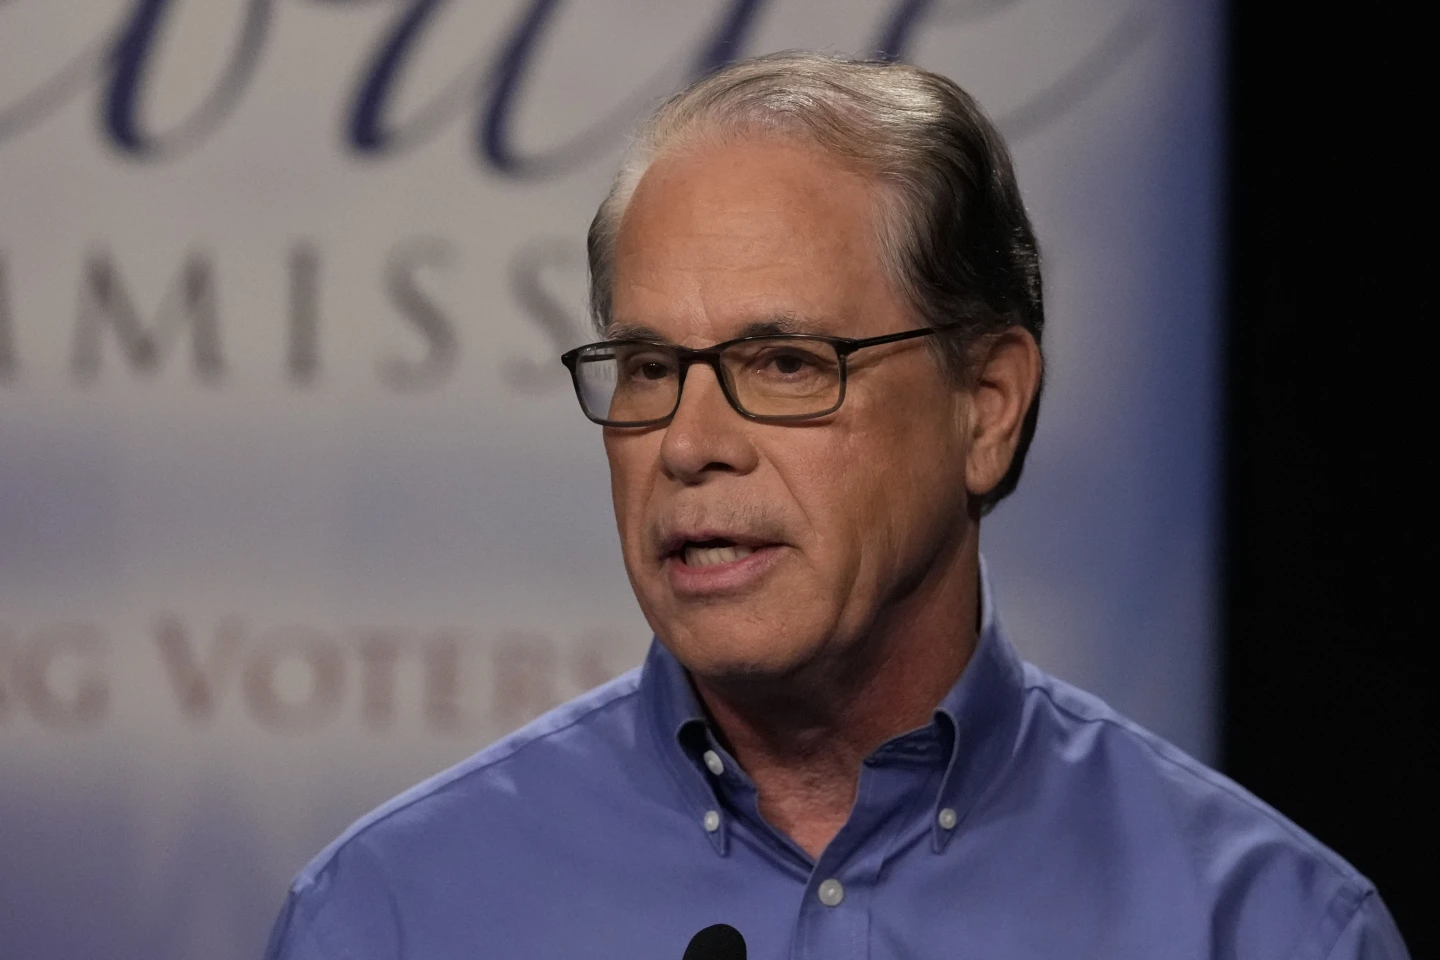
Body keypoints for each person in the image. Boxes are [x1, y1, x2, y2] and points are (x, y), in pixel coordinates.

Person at [265, 52, 1409, 959]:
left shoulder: (1265, 929)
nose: (689, 445)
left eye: (787, 364)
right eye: (651, 368)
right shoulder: (393, 915)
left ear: (988, 405)